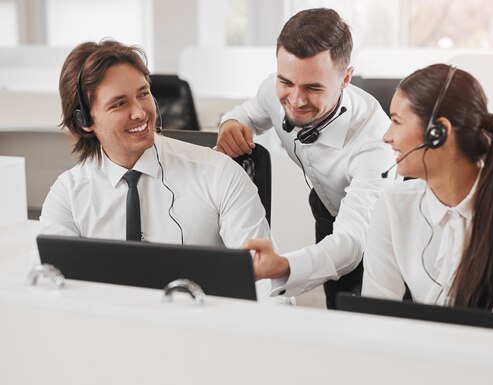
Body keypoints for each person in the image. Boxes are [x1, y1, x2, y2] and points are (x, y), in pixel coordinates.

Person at [216, 8, 394, 308]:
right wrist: (231, 123)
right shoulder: (275, 89)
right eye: (286, 82)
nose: (296, 101)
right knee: (336, 305)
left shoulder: (374, 144)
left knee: (369, 315)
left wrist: (284, 266)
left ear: (345, 78)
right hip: (326, 207)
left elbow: (351, 242)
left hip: (381, 231)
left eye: (313, 88)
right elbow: (247, 113)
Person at [40, 39, 271, 260]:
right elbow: (49, 282)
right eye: (119, 104)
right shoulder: (68, 195)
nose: (140, 113)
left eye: (143, 94)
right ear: (84, 120)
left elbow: (265, 282)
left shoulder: (219, 174)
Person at [361, 64, 493, 317]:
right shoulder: (393, 204)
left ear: (438, 132)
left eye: (397, 122)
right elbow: (374, 316)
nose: (386, 137)